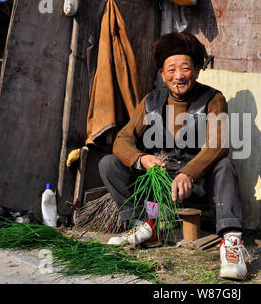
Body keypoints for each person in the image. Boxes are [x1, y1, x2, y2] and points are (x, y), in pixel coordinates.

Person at [98, 32, 247, 280]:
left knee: (224, 166)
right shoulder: (151, 101)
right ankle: (144, 225)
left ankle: (231, 244)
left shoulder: (213, 99)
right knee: (110, 163)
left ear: (197, 69)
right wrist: (142, 159)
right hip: (160, 186)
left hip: (197, 187)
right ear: (162, 73)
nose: (178, 76)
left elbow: (219, 144)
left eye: (185, 68)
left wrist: (189, 172)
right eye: (171, 69)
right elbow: (123, 139)